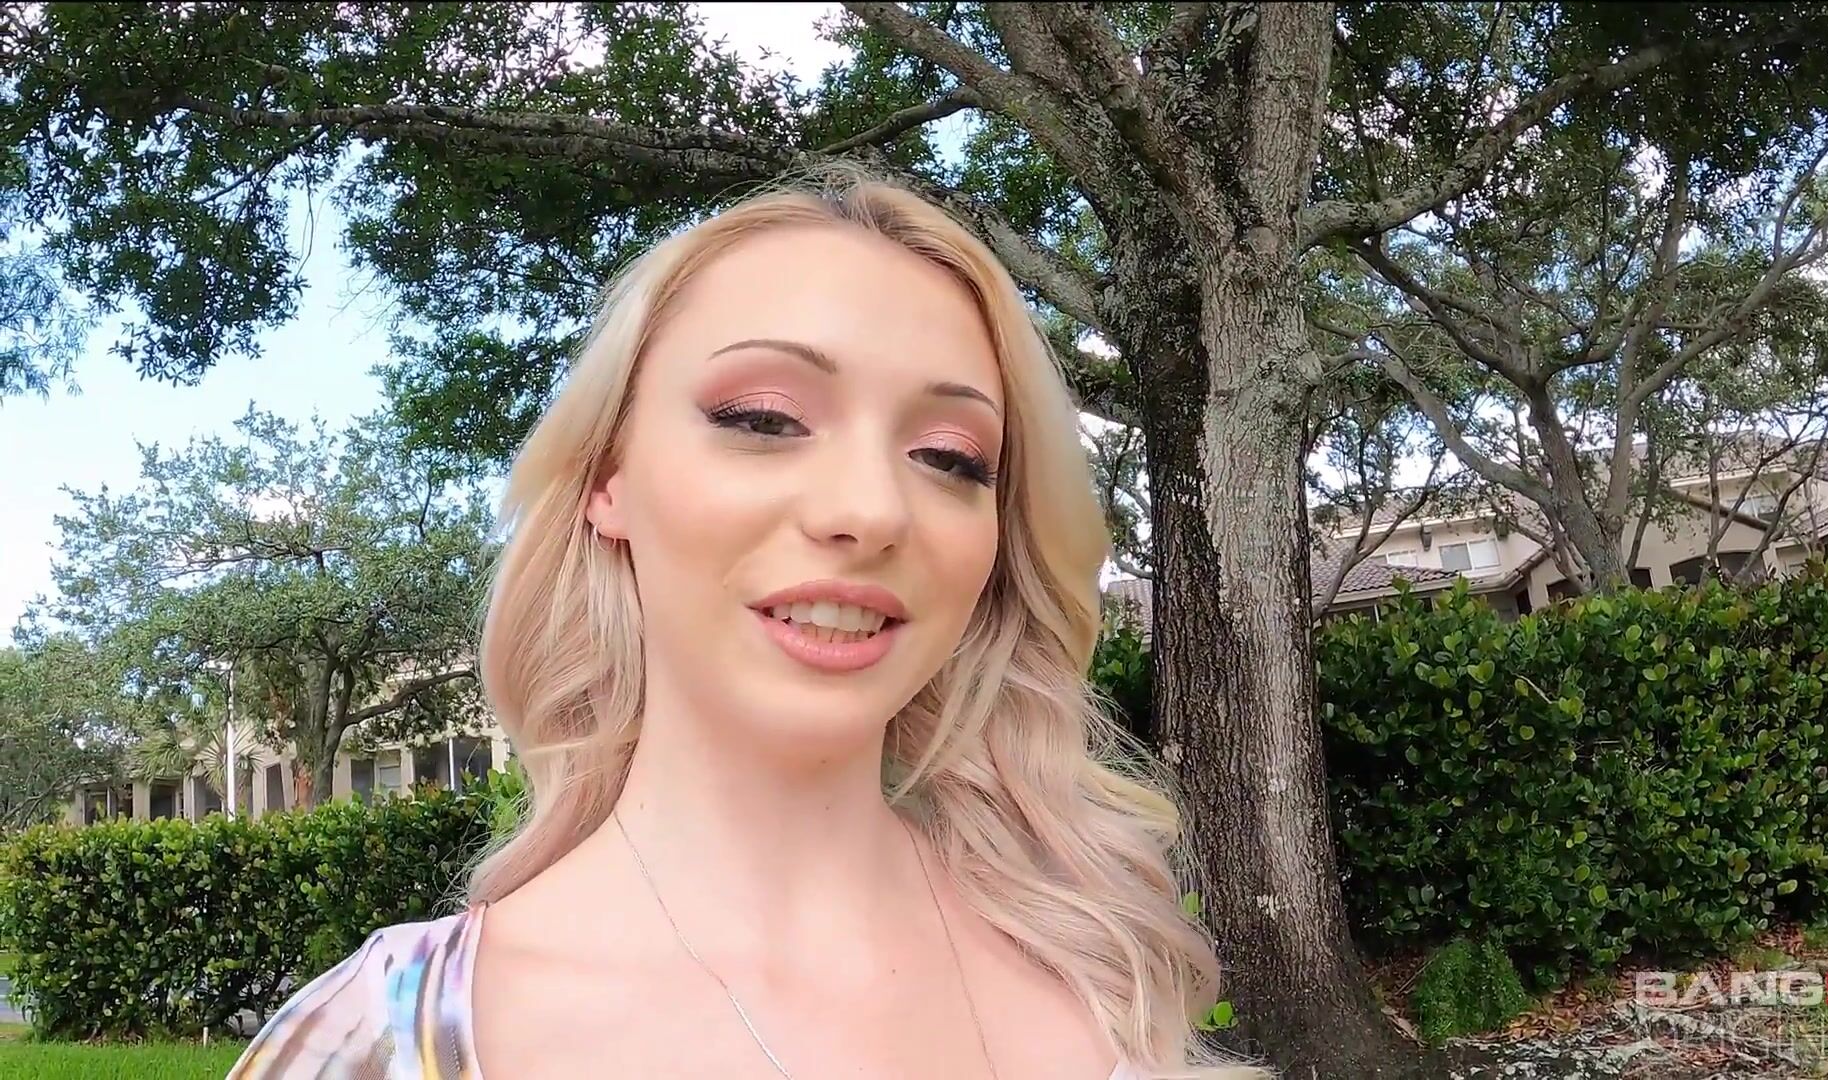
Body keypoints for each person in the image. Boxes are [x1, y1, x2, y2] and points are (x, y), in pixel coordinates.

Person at [227, 167, 1263, 1079]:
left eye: (950, 457)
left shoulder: (1100, 975)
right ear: (608, 481)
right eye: (763, 419)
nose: (871, 510)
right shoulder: (379, 1041)